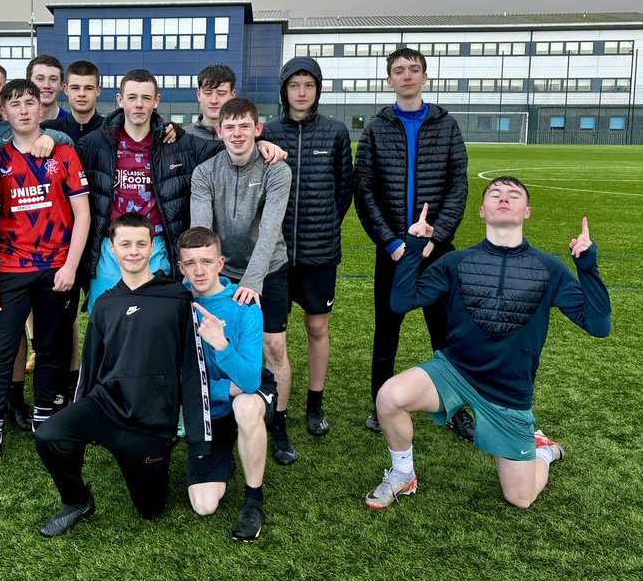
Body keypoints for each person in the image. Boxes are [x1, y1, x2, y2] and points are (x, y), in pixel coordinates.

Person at [365, 177, 611, 509]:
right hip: (454, 371)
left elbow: (598, 326)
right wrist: (411, 248)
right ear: (482, 211)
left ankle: (542, 452)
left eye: (514, 195)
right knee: (389, 396)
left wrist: (587, 266)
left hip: (508, 392)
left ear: (528, 212)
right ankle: (402, 474)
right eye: (495, 194)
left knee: (520, 498)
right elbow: (401, 301)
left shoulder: (548, 268)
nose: (504, 199)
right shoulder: (455, 262)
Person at [33, 214, 209, 537]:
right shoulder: (103, 305)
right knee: (48, 436)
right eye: (125, 244)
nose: (134, 251)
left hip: (150, 424)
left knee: (150, 511)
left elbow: (192, 367)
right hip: (106, 407)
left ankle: (145, 467)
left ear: (152, 246)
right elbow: (90, 365)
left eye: (141, 243)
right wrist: (80, 422)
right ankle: (77, 500)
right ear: (112, 248)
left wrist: (199, 436)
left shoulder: (175, 298)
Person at [0, 79, 91, 471]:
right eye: (14, 103)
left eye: (29, 102)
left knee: (51, 347)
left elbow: (83, 214)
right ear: (4, 113)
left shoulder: (63, 154)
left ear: (40, 109)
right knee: (3, 351)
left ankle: (44, 421)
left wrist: (70, 266)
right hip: (11, 269)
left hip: (56, 269)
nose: (22, 110)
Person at [76, 69, 285, 313]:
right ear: (120, 100)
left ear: (157, 101)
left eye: (146, 98)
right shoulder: (94, 144)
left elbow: (230, 146)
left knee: (156, 321)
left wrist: (260, 142)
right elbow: (65, 156)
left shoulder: (177, 142)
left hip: (155, 245)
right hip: (111, 247)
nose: (139, 105)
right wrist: (50, 137)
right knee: (105, 319)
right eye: (132, 97)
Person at [353, 47, 470, 439]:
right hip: (395, 250)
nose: (406, 76)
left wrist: (437, 238)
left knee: (445, 331)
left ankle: (455, 406)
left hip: (437, 251)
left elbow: (458, 186)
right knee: (387, 331)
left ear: (424, 77)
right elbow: (364, 190)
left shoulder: (446, 125)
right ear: (389, 80)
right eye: (399, 70)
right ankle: (379, 406)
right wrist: (390, 243)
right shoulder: (376, 128)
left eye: (413, 69)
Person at [189, 98, 297, 465]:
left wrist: (254, 281)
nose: (237, 134)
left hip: (269, 269)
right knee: (218, 342)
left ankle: (278, 422)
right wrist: (207, 276)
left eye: (244, 126)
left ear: (258, 129)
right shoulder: (204, 173)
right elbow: (202, 232)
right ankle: (220, 413)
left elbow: (270, 228)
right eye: (229, 127)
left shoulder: (277, 170)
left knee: (275, 349)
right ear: (218, 131)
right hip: (223, 270)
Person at [259, 56, 352, 440]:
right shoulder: (269, 132)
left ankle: (315, 403)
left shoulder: (335, 132)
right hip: (275, 255)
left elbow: (344, 188)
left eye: (308, 85)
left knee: (317, 326)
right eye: (294, 85)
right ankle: (273, 404)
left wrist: (324, 223)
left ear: (317, 89)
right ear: (284, 89)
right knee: (272, 337)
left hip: (319, 252)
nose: (301, 92)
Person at [178, 227, 276, 542]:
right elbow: (174, 376)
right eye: (190, 263)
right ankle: (227, 454)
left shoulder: (242, 304)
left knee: (246, 406)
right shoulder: (175, 305)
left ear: (220, 263)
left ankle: (253, 501)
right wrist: (220, 391)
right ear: (181, 268)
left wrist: (221, 345)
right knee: (204, 505)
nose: (198, 270)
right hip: (208, 403)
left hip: (247, 392)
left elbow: (249, 381)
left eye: (206, 261)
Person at [42, 59, 104, 143]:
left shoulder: (111, 130)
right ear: (66, 89)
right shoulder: (48, 129)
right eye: (75, 88)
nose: (81, 94)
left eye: (88, 88)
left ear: (98, 90)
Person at [184, 64, 237, 140]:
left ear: (232, 96)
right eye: (208, 93)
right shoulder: (180, 138)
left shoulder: (245, 139)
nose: (214, 100)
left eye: (221, 93)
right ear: (198, 95)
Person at [28, 54, 69, 122]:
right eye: (40, 79)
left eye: (53, 79)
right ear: (29, 83)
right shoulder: (14, 125)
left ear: (61, 85)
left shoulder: (73, 126)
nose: (46, 85)